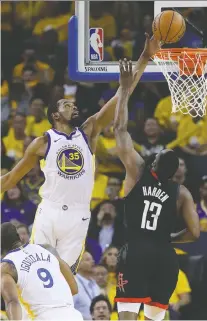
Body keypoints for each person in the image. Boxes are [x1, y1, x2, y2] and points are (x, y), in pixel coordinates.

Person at [1, 35, 160, 273]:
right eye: (66, 104)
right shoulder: (42, 142)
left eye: (73, 104)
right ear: (54, 114)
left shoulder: (89, 131)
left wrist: (145, 58)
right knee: (38, 272)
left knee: (65, 276)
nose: (73, 105)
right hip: (51, 210)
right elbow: (11, 178)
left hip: (78, 213)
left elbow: (120, 97)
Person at [113, 60, 200, 320]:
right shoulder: (182, 191)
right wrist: (166, 238)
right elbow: (195, 233)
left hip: (136, 252)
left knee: (127, 316)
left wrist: (124, 90)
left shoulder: (138, 172)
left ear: (153, 161)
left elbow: (119, 130)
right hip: (165, 256)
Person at [1, 222, 83, 320]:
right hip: (72, 315)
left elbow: (12, 302)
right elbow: (73, 289)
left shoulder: (7, 266)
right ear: (19, 236)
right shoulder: (47, 249)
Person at [74, 252, 100, 320]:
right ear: (78, 265)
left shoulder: (95, 284)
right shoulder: (74, 283)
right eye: (88, 260)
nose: (93, 262)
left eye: (92, 259)